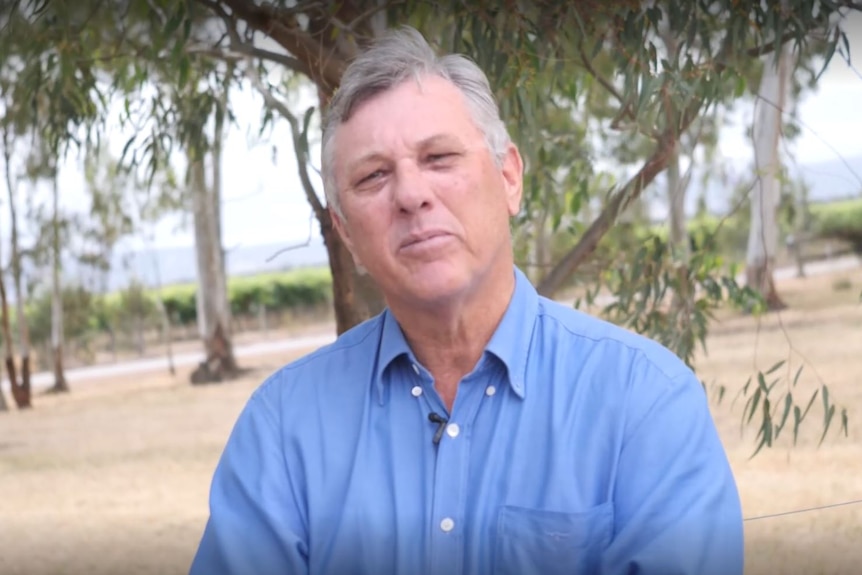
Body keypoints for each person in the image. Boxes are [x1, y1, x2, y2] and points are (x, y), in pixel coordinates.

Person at [190, 26, 744, 575]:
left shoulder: (644, 404)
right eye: (374, 176)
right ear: (346, 233)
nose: (411, 194)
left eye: (438, 158)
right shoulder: (284, 428)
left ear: (509, 177)